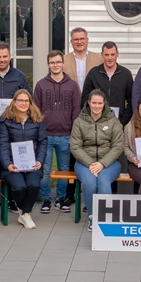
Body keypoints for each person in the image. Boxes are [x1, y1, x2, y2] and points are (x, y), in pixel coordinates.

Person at [71, 90, 126, 230]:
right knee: (89, 182)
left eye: (100, 103)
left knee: (103, 181)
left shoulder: (113, 121)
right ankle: (92, 217)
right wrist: (90, 163)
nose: (96, 106)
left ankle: (105, 217)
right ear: (89, 103)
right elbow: (75, 147)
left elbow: (118, 146)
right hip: (84, 163)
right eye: (94, 103)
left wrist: (102, 163)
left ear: (104, 104)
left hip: (109, 163)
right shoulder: (79, 122)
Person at [35, 50, 82, 214]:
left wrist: (73, 135)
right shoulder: (41, 85)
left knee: (64, 169)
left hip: (65, 135)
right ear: (48, 64)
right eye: (52, 62)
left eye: (58, 62)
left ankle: (61, 198)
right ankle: (46, 198)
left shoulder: (72, 85)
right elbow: (36, 112)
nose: (55, 65)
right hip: (45, 136)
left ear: (63, 63)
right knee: (45, 169)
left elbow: (76, 112)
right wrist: (39, 134)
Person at [0, 89, 48, 229]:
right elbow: (2, 144)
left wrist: (39, 161)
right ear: (14, 102)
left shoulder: (37, 120)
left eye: (26, 100)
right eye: (20, 100)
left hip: (32, 163)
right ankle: (25, 212)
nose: (23, 103)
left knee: (33, 185)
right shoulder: (5, 121)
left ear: (30, 103)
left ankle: (25, 213)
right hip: (12, 164)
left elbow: (43, 142)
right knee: (19, 187)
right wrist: (7, 164)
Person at [81, 41, 134, 126]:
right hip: (96, 123)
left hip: (118, 122)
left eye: (112, 54)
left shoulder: (126, 74)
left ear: (117, 54)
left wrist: (122, 122)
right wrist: (90, 119)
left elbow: (130, 101)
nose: (110, 58)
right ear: (102, 55)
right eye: (106, 55)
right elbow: (85, 99)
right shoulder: (93, 73)